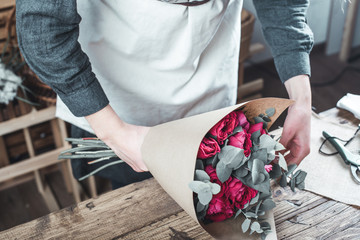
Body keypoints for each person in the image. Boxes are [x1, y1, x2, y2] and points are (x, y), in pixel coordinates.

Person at [16, 0, 313, 188]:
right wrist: (114, 131)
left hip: (210, 62)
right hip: (116, 89)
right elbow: (41, 32)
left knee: (212, 183)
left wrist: (300, 98)